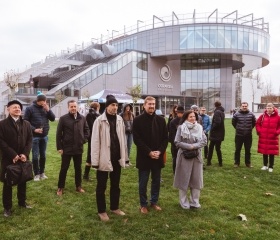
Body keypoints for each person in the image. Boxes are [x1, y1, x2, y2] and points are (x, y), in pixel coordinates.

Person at [91, 95, 127, 222]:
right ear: (107, 106)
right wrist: (94, 161)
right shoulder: (99, 121)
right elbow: (95, 142)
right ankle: (101, 211)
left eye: (117, 105)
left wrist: (125, 157)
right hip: (103, 159)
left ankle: (114, 207)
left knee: (115, 185)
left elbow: (123, 140)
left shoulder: (119, 120)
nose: (115, 107)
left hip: (116, 158)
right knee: (101, 186)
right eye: (113, 105)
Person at [133, 96, 168, 214]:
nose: (152, 106)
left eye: (153, 104)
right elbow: (137, 140)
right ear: (144, 105)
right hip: (144, 157)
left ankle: (154, 202)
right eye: (149, 104)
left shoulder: (161, 120)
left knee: (156, 181)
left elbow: (165, 139)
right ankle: (143, 204)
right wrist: (149, 152)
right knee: (143, 182)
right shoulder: (137, 120)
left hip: (157, 157)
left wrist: (159, 151)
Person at [0, 100, 33, 217]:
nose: (17, 109)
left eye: (19, 107)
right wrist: (13, 154)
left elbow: (30, 140)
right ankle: (7, 208)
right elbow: (1, 142)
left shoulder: (26, 124)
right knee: (8, 183)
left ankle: (22, 202)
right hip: (8, 159)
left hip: (23, 158)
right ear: (8, 109)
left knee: (22, 181)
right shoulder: (2, 124)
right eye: (14, 107)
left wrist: (25, 153)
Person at [173, 110, 207, 209]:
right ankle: (183, 202)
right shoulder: (181, 128)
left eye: (194, 116)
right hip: (184, 157)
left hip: (196, 157)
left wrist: (194, 146)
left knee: (196, 180)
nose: (193, 118)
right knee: (183, 179)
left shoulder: (199, 128)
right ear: (186, 118)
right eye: (190, 117)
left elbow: (204, 141)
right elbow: (177, 142)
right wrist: (189, 147)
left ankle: (194, 202)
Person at [56, 100, 90, 195]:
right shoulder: (63, 119)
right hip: (66, 148)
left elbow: (87, 130)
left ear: (77, 107)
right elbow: (58, 134)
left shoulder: (82, 118)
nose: (73, 108)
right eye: (71, 107)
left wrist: (83, 140)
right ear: (68, 108)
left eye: (75, 106)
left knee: (78, 168)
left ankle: (78, 186)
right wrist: (59, 147)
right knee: (64, 168)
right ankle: (60, 187)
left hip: (78, 148)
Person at [24, 91, 55, 181]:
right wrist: (34, 129)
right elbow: (25, 122)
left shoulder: (45, 108)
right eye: (42, 101)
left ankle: (42, 173)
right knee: (35, 155)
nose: (44, 103)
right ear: (38, 101)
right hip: (34, 136)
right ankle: (36, 174)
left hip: (44, 136)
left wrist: (48, 110)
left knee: (43, 155)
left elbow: (53, 119)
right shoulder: (30, 109)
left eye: (45, 101)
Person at [256, 103, 280, 172]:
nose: (269, 109)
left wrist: (277, 132)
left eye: (270, 108)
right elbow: (257, 123)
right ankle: (265, 165)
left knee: (271, 152)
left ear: (273, 108)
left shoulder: (278, 117)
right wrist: (260, 131)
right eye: (268, 108)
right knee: (265, 151)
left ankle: (271, 166)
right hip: (264, 137)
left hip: (273, 137)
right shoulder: (262, 116)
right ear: (266, 108)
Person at [232, 102, 256, 168]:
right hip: (239, 135)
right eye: (243, 106)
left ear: (247, 106)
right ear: (241, 106)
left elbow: (254, 123)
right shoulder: (236, 114)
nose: (244, 107)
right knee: (237, 149)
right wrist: (238, 128)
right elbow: (233, 122)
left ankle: (248, 163)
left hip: (248, 135)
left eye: (245, 106)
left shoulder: (251, 114)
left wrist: (249, 129)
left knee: (248, 150)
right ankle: (236, 163)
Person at [83, 102, 100, 180]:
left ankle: (88, 175)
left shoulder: (94, 114)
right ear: (97, 107)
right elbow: (92, 126)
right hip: (92, 138)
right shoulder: (91, 115)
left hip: (95, 137)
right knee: (90, 156)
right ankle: (86, 175)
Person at [206, 101, 225, 167]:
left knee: (211, 148)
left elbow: (217, 122)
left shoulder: (217, 112)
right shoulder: (222, 112)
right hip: (220, 133)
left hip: (215, 133)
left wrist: (212, 128)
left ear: (215, 105)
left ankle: (209, 162)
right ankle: (220, 162)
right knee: (218, 148)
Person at [168, 105, 185, 174]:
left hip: (184, 143)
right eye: (180, 113)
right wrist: (175, 144)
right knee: (175, 157)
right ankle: (175, 172)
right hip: (175, 143)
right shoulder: (173, 122)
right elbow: (172, 134)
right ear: (177, 113)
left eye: (182, 113)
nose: (181, 114)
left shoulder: (185, 121)